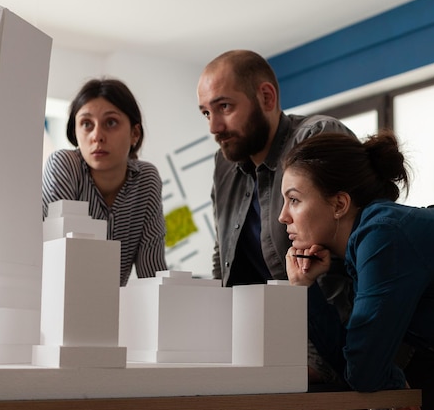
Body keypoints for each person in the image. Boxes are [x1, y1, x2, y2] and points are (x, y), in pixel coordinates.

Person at [280, 131, 434, 408]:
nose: (282, 216)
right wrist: (306, 288)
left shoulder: (383, 237)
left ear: (339, 204)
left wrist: (386, 379)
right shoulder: (367, 247)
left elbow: (363, 370)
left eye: (294, 200)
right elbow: (354, 363)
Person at [196, 49, 354, 384]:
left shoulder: (315, 138)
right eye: (205, 112)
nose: (214, 127)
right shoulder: (224, 165)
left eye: (224, 107)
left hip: (335, 344)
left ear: (266, 97)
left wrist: (317, 366)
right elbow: (221, 258)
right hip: (262, 347)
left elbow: (337, 271)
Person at [42, 78, 167, 286]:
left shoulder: (146, 179)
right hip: (53, 302)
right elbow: (59, 264)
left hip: (112, 310)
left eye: (111, 123)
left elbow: (151, 274)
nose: (97, 136)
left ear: (134, 133)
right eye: (86, 124)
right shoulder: (65, 166)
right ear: (75, 132)